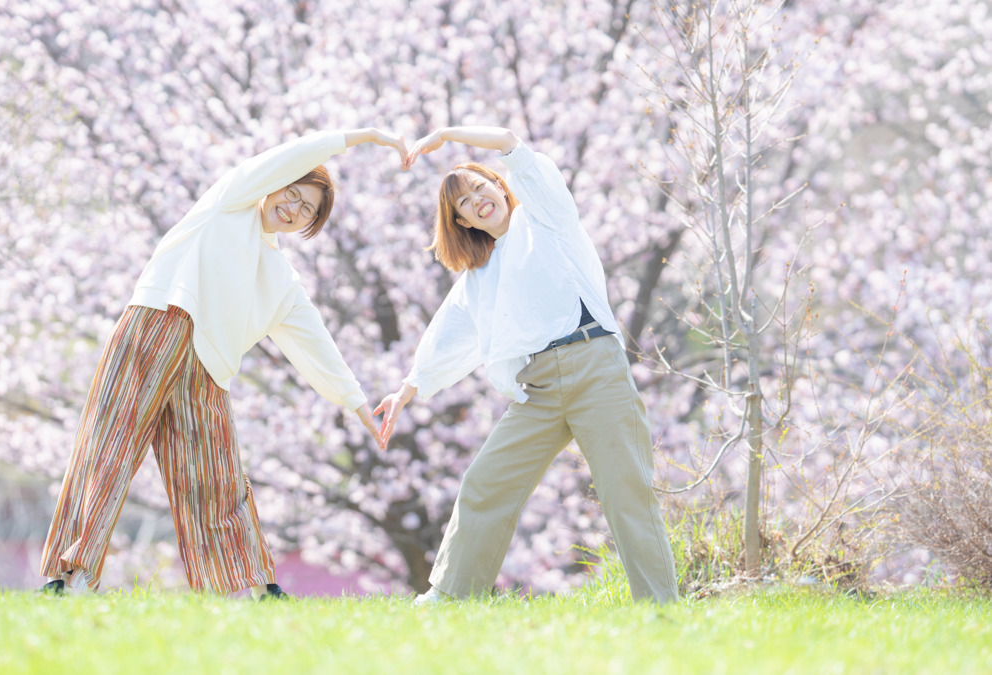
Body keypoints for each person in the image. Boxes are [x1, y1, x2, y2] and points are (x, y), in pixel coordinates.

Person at [40, 127, 405, 599]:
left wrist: (356, 404)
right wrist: (362, 137)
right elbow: (295, 152)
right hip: (157, 325)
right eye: (292, 193)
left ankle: (253, 587)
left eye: (307, 210)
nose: (293, 208)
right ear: (274, 182)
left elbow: (316, 344)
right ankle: (71, 576)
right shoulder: (231, 199)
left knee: (216, 475)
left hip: (209, 368)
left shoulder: (282, 279)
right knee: (109, 448)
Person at [376, 126, 679, 604]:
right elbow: (449, 333)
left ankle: (660, 608)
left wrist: (447, 135)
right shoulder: (481, 275)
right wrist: (408, 389)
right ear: (462, 222)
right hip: (536, 389)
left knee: (625, 490)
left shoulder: (545, 216)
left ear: (501, 186)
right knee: (486, 482)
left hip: (594, 367)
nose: (477, 201)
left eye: (481, 187)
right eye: (464, 204)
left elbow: (510, 142)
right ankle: (450, 598)